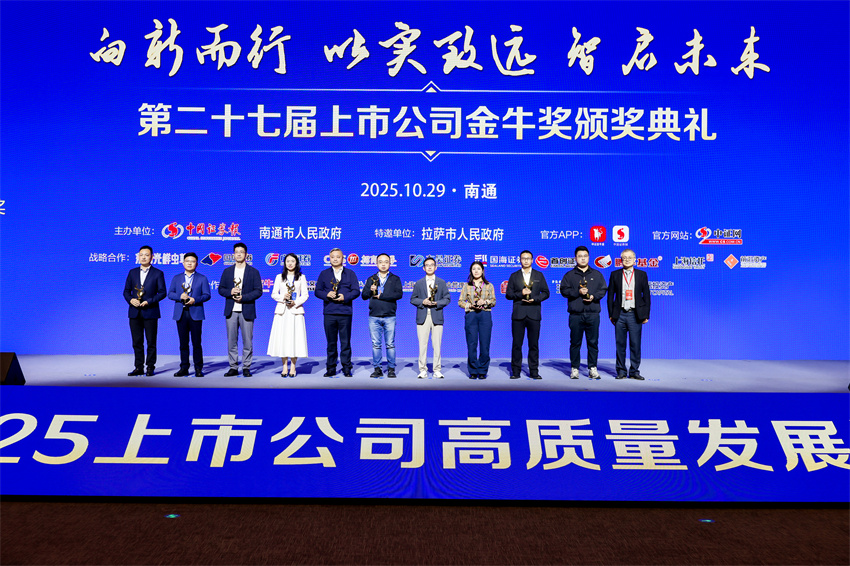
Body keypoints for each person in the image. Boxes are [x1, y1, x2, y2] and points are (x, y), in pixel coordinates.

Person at [560, 246, 608, 380]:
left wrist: (593, 296)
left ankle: (593, 368)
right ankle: (574, 368)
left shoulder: (597, 274)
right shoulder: (569, 275)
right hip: (576, 314)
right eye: (580, 256)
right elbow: (563, 290)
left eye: (585, 256)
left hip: (593, 314)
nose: (583, 258)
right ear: (575, 258)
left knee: (593, 343)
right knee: (575, 342)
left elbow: (603, 290)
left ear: (589, 257)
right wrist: (577, 292)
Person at [218, 242, 263, 377]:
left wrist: (243, 298)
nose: (239, 254)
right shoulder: (227, 271)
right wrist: (230, 292)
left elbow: (258, 291)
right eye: (236, 252)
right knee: (231, 340)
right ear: (233, 254)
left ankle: (246, 367)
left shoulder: (253, 272)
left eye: (241, 252)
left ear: (246, 255)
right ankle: (233, 367)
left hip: (247, 310)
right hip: (231, 310)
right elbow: (221, 289)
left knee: (247, 341)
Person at [607, 248, 651, 380]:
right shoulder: (615, 274)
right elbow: (610, 296)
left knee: (635, 344)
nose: (627, 260)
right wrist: (611, 314)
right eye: (624, 258)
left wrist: (646, 314)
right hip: (620, 314)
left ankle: (634, 371)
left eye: (629, 257)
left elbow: (646, 296)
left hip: (635, 315)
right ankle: (621, 371)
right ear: (621, 260)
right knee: (620, 344)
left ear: (634, 260)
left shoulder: (642, 274)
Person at [314, 248, 359, 377]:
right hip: (330, 312)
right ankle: (331, 368)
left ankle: (346, 367)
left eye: (338, 257)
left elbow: (356, 291)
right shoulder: (324, 274)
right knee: (331, 343)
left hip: (345, 312)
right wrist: (326, 294)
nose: (335, 259)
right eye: (333, 257)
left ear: (342, 258)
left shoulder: (350, 273)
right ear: (329, 258)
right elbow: (317, 291)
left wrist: (345, 297)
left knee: (345, 343)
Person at [123, 245, 167, 376]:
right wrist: (131, 300)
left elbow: (162, 292)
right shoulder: (132, 272)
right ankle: (138, 367)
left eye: (146, 255)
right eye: (141, 255)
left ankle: (150, 367)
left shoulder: (158, 273)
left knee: (151, 341)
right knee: (137, 342)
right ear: (138, 256)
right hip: (134, 312)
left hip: (150, 311)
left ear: (152, 257)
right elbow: (126, 291)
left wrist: (149, 301)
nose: (143, 257)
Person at [506, 250, 550, 379]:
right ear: (520, 260)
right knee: (517, 344)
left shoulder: (539, 275)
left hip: (534, 313)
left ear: (532, 260)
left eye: (528, 258)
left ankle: (534, 371)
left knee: (534, 345)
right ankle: (516, 371)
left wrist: (535, 299)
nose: (526, 260)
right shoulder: (514, 276)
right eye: (523, 258)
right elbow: (508, 294)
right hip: (518, 314)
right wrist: (521, 293)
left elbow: (546, 293)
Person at [168, 253, 211, 377]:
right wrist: (179, 296)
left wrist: (195, 300)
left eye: (192, 261)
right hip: (181, 314)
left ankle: (198, 368)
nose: (190, 263)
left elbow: (207, 295)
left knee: (196, 343)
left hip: (195, 313)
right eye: (187, 261)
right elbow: (170, 294)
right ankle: (184, 368)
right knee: (183, 343)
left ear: (197, 264)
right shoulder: (176, 278)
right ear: (183, 263)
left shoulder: (202, 278)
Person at [361, 253, 403, 378]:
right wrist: (370, 290)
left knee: (390, 344)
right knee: (376, 345)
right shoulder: (371, 278)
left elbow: (399, 294)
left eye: (386, 262)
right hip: (374, 316)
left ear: (390, 263)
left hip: (390, 316)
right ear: (376, 263)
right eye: (380, 262)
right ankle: (377, 369)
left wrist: (382, 296)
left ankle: (391, 369)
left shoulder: (395, 279)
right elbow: (364, 296)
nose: (383, 264)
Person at [268, 253, 309, 377]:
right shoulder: (279, 277)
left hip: (295, 311)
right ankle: (285, 366)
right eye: (288, 261)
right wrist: (283, 297)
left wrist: (295, 302)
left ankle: (293, 367)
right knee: (283, 339)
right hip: (282, 312)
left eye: (292, 261)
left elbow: (305, 295)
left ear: (296, 263)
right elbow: (274, 294)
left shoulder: (301, 277)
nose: (290, 263)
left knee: (295, 339)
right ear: (285, 263)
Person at [410, 257, 451, 379]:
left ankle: (437, 370)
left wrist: (436, 303)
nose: (429, 267)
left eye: (431, 265)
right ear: (423, 268)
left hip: (436, 315)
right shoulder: (419, 283)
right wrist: (423, 301)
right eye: (427, 265)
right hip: (423, 316)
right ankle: (422, 370)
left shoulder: (441, 282)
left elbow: (447, 298)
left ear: (435, 267)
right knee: (422, 345)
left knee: (437, 345)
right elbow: (413, 299)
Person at [458, 261, 496, 380]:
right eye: (474, 269)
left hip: (485, 314)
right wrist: (469, 305)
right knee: (472, 344)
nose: (476, 271)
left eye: (478, 269)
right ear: (471, 271)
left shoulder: (489, 285)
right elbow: (460, 302)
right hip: (471, 315)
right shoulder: (467, 286)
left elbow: (493, 301)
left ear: (482, 271)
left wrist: (485, 302)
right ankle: (473, 370)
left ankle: (483, 370)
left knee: (485, 344)